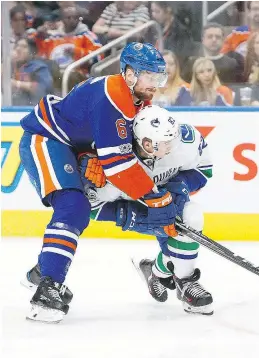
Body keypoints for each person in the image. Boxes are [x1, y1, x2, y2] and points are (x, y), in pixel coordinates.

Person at [18, 42, 175, 323]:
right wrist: (154, 197)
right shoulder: (113, 95)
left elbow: (114, 147)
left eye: (159, 78)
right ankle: (47, 289)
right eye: (150, 77)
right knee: (73, 206)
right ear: (129, 74)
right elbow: (119, 166)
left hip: (71, 147)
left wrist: (91, 155)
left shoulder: (138, 100)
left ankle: (45, 271)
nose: (156, 84)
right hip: (45, 139)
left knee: (85, 206)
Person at [22, 105, 214, 316]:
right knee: (171, 233)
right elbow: (90, 205)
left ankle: (180, 280)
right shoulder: (111, 161)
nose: (171, 147)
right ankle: (161, 271)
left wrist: (181, 186)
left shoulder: (185, 140)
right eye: (164, 144)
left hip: (166, 195)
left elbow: (204, 168)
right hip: (132, 202)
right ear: (145, 144)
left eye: (173, 141)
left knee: (191, 216)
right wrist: (129, 216)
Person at [11, 37, 53, 106]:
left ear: (32, 52)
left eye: (24, 47)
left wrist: (17, 84)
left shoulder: (38, 67)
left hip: (33, 109)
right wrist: (7, 61)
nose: (18, 49)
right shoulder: (10, 66)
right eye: (17, 46)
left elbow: (43, 88)